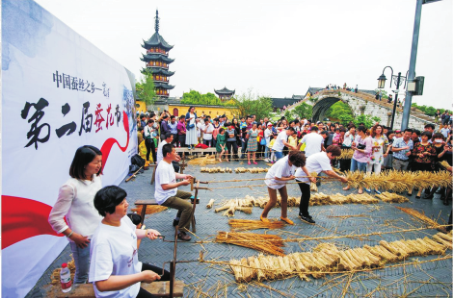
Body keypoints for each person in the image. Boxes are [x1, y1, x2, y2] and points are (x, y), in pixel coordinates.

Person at [89, 186, 170, 298]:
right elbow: (102, 284)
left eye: (125, 200)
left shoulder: (121, 219)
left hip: (133, 269)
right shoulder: (102, 240)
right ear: (108, 209)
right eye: (122, 203)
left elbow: (131, 232)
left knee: (168, 276)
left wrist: (146, 232)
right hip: (119, 292)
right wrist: (141, 277)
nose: (127, 204)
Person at [48, 146, 103, 284]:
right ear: (84, 163)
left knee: (97, 270)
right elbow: (54, 218)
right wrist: (73, 235)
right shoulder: (69, 187)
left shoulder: (97, 178)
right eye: (95, 162)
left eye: (100, 161)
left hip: (100, 233)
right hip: (83, 239)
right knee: (83, 275)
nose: (99, 165)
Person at [296, 146, 348, 223]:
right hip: (302, 176)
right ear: (330, 153)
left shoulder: (322, 155)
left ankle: (302, 212)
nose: (333, 158)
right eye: (333, 156)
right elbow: (328, 172)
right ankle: (304, 214)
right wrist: (340, 177)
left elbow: (324, 170)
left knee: (305, 195)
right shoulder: (324, 157)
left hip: (304, 176)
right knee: (306, 195)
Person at [155, 144, 194, 241]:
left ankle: (177, 220)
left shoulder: (168, 163)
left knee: (188, 195)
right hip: (165, 197)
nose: (176, 153)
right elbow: (164, 187)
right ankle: (181, 231)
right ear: (168, 154)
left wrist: (184, 176)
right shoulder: (163, 167)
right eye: (174, 152)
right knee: (188, 207)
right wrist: (181, 183)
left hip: (171, 192)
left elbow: (173, 175)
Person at [261, 151, 312, 225]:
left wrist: (309, 175)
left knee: (285, 197)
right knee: (273, 201)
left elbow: (302, 165)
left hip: (283, 179)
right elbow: (277, 177)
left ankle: (283, 216)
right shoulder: (282, 164)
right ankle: (263, 216)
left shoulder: (294, 159)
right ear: (293, 161)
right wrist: (289, 179)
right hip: (272, 181)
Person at [343, 126, 372, 194]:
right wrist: (354, 145)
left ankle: (360, 187)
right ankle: (349, 185)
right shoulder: (357, 137)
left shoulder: (368, 139)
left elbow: (368, 150)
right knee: (351, 172)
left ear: (361, 131)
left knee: (361, 173)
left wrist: (358, 149)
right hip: (355, 157)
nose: (356, 132)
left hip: (362, 159)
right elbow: (355, 143)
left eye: (357, 131)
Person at [411, 131, 437, 199]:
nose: (423, 137)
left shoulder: (431, 146)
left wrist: (428, 154)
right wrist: (418, 154)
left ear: (428, 137)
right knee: (414, 176)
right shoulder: (417, 144)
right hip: (417, 163)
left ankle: (419, 192)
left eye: (425, 136)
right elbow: (413, 153)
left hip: (426, 164)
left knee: (423, 178)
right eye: (422, 136)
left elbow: (434, 154)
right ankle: (410, 189)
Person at [366, 124, 388, 194]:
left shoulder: (384, 137)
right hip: (371, 155)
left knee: (378, 172)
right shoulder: (371, 136)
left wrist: (386, 152)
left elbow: (388, 145)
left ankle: (376, 187)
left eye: (380, 128)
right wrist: (373, 147)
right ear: (374, 130)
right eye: (377, 128)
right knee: (368, 171)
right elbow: (367, 146)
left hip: (379, 155)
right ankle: (367, 186)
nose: (379, 129)